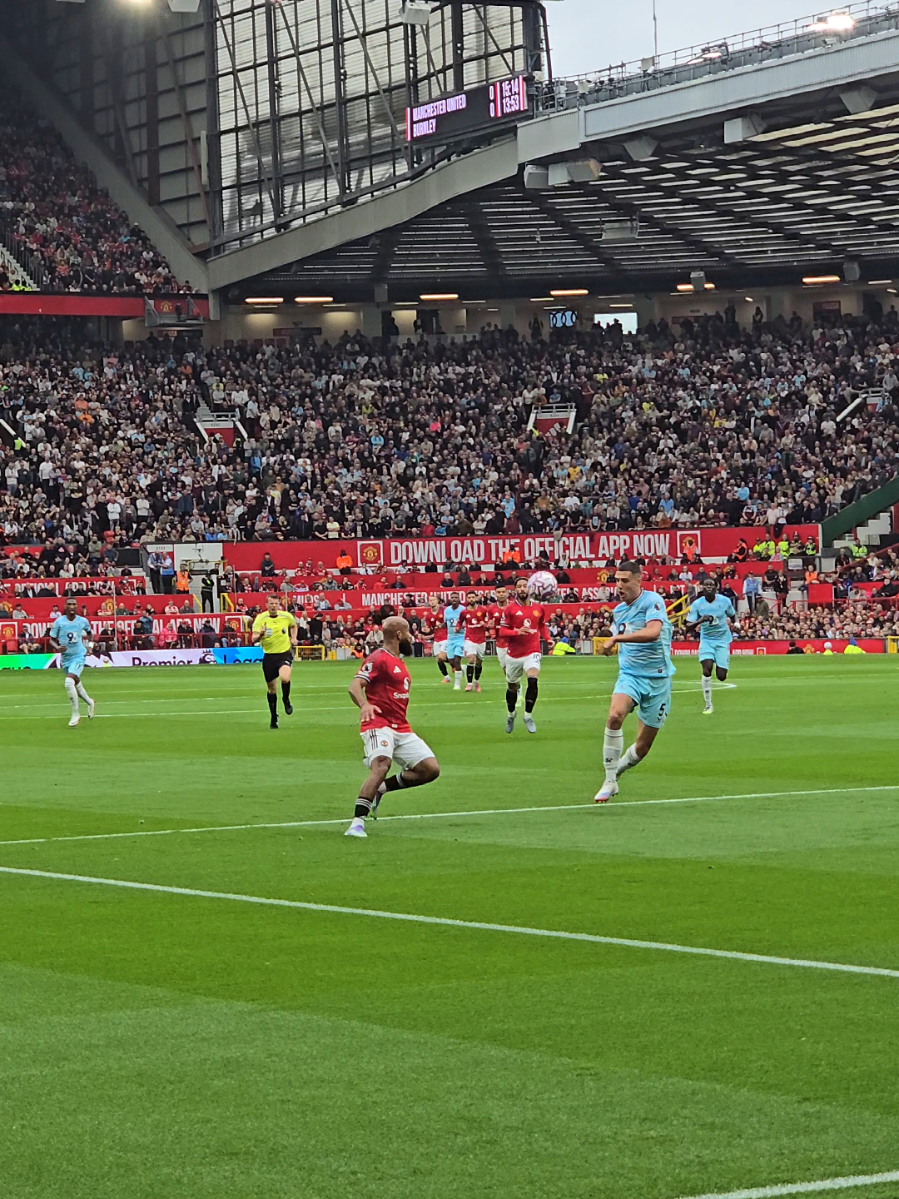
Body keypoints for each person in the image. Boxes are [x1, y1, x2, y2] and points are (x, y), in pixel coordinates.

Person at [345, 615, 440, 839]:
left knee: (430, 769)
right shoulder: (379, 658)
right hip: (379, 723)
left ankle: (381, 788)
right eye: (408, 632)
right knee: (381, 765)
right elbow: (354, 685)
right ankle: (357, 823)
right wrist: (364, 704)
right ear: (399, 635)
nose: (411, 636)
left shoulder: (398, 661)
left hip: (401, 727)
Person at [594, 561, 673, 803]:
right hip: (630, 675)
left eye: (625, 580)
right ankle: (608, 780)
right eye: (616, 580)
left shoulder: (652, 602)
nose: (619, 585)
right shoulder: (618, 611)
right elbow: (616, 640)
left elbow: (653, 633)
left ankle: (616, 772)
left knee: (643, 747)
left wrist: (617, 637)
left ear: (639, 580)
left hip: (658, 679)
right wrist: (608, 646)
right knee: (615, 716)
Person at [500, 576, 551, 734]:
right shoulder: (510, 609)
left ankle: (528, 715)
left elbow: (541, 625)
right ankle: (511, 714)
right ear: (515, 590)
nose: (522, 589)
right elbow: (501, 631)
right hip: (514, 654)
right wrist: (516, 632)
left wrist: (548, 639)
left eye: (525, 586)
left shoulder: (538, 608)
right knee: (512, 687)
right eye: (519, 586)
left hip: (532, 651)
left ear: (530, 588)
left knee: (533, 680)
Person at [684, 578, 736, 714]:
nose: (708, 587)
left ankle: (723, 663)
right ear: (702, 587)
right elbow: (687, 627)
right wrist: (700, 621)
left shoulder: (724, 601)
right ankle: (708, 704)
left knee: (721, 676)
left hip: (722, 641)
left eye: (711, 585)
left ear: (716, 587)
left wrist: (735, 624)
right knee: (706, 669)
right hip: (706, 640)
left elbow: (732, 614)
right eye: (706, 585)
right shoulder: (697, 604)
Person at [251, 593, 298, 729]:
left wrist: (293, 638)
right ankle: (273, 716)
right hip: (269, 657)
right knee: (272, 689)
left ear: (279, 604)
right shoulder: (261, 619)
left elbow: (294, 625)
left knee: (285, 677)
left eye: (276, 604)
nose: (273, 606)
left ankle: (286, 700)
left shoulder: (286, 616)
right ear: (267, 605)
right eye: (271, 603)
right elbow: (253, 639)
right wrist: (260, 634)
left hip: (284, 654)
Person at [48, 597, 95, 727]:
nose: (72, 607)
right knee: (75, 683)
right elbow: (51, 639)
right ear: (65, 606)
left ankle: (75, 713)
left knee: (69, 682)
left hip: (79, 655)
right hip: (66, 659)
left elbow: (90, 634)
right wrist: (57, 647)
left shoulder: (82, 621)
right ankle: (90, 702)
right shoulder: (59, 622)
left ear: (77, 606)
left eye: (74, 604)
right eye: (69, 604)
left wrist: (90, 646)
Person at [461, 592, 488, 692]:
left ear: (476, 598)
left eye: (473, 597)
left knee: (479, 661)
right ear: (467, 599)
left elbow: (488, 623)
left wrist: (484, 624)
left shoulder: (483, 610)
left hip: (481, 639)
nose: (471, 599)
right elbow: (460, 622)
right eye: (469, 598)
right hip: (469, 638)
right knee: (471, 659)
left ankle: (476, 681)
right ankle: (469, 683)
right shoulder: (464, 612)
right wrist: (457, 628)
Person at [443, 592, 466, 690]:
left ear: (459, 599)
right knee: (451, 660)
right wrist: (439, 626)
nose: (454, 599)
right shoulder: (447, 610)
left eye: (456, 597)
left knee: (457, 660)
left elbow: (466, 622)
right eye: (452, 597)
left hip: (461, 637)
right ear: (450, 599)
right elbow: (446, 623)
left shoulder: (463, 610)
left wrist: (460, 627)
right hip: (450, 638)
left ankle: (457, 684)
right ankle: (462, 668)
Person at [427, 595, 450, 682]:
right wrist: (426, 629)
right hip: (437, 639)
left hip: (446, 637)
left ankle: (455, 665)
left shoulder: (444, 611)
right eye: (430, 600)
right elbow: (429, 628)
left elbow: (450, 621)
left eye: (433, 600)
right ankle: (447, 677)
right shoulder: (429, 615)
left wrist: (442, 624)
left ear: (437, 601)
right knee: (438, 659)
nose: (432, 602)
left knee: (441, 657)